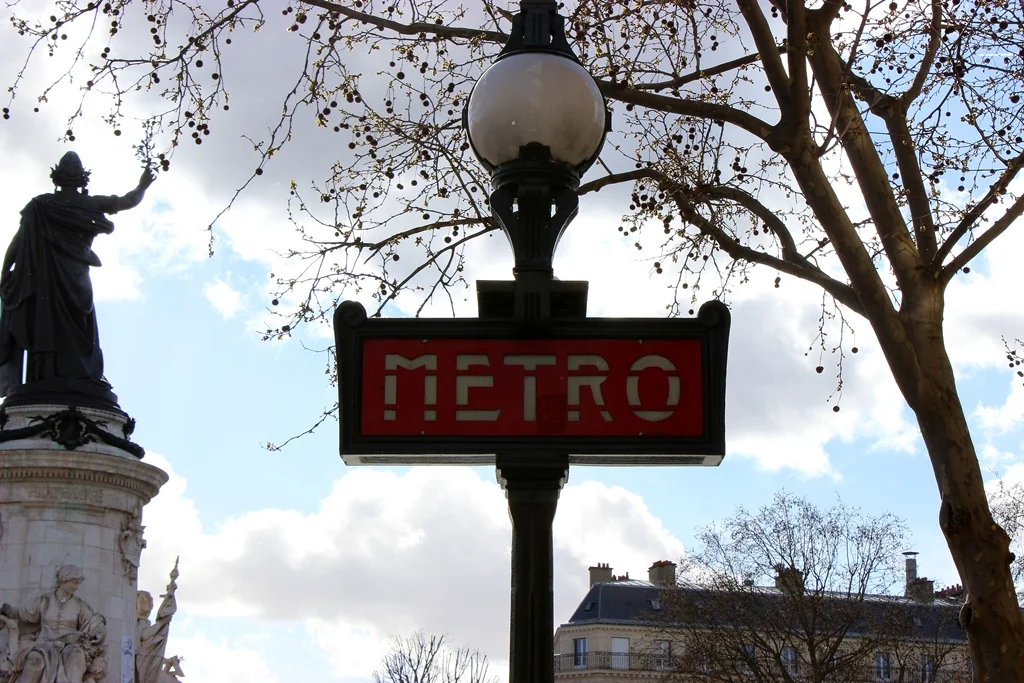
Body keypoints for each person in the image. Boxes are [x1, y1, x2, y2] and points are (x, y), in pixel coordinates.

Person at [0, 151, 155, 399]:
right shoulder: (90, 204)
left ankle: (45, 373)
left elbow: (17, 243)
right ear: (83, 179)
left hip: (47, 281)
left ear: (56, 178)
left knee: (47, 323)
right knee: (80, 328)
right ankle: (82, 374)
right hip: (78, 278)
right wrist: (143, 185)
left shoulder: (40, 206)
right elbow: (128, 201)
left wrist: (5, 272)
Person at [0, 565, 108, 683]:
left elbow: (93, 621)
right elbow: (22, 612)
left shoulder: (80, 605)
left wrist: (99, 631)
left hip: (69, 646)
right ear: (64, 580)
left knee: (76, 655)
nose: (77, 587)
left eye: (78, 583)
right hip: (44, 644)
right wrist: (6, 611)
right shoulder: (44, 600)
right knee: (34, 660)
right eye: (74, 583)